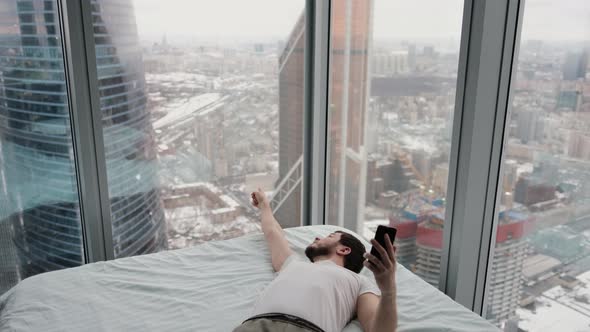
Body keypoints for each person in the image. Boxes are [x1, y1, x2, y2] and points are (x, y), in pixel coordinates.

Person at [233, 188, 398, 332]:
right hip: (254, 326)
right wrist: (264, 205)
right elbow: (273, 232)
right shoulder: (292, 263)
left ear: (344, 250)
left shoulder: (360, 282)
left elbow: (377, 329)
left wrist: (388, 288)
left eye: (330, 236)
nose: (318, 236)